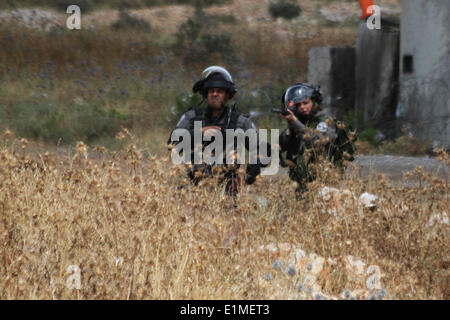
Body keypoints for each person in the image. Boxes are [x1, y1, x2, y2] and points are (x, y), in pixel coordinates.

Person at [168, 66, 270, 196]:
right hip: (193, 187)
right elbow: (172, 143)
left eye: (219, 91)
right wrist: (199, 133)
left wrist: (245, 178)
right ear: (206, 94)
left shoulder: (239, 121)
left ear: (227, 96)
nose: (215, 94)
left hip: (228, 189)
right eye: (211, 91)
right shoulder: (191, 117)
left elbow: (265, 151)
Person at [277, 83, 356, 197]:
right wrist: (290, 128)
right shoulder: (300, 123)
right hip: (303, 185)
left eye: (306, 103)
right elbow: (282, 147)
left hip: (325, 183)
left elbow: (319, 142)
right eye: (298, 105)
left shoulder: (325, 122)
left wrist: (295, 123)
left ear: (314, 102)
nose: (302, 107)